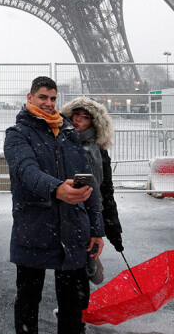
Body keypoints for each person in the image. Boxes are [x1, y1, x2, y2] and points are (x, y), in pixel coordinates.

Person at [4, 76, 105, 334]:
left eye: (53, 98)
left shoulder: (69, 133)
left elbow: (88, 183)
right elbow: (25, 171)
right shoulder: (17, 134)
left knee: (72, 304)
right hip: (35, 227)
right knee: (28, 300)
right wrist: (56, 189)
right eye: (43, 97)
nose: (49, 103)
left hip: (73, 228)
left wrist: (96, 229)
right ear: (30, 98)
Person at [61, 97, 124, 255]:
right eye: (76, 114)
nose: (78, 119)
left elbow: (105, 189)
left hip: (89, 211)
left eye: (86, 117)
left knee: (84, 264)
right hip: (65, 210)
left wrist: (112, 229)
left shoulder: (98, 151)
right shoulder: (60, 143)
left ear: (94, 122)